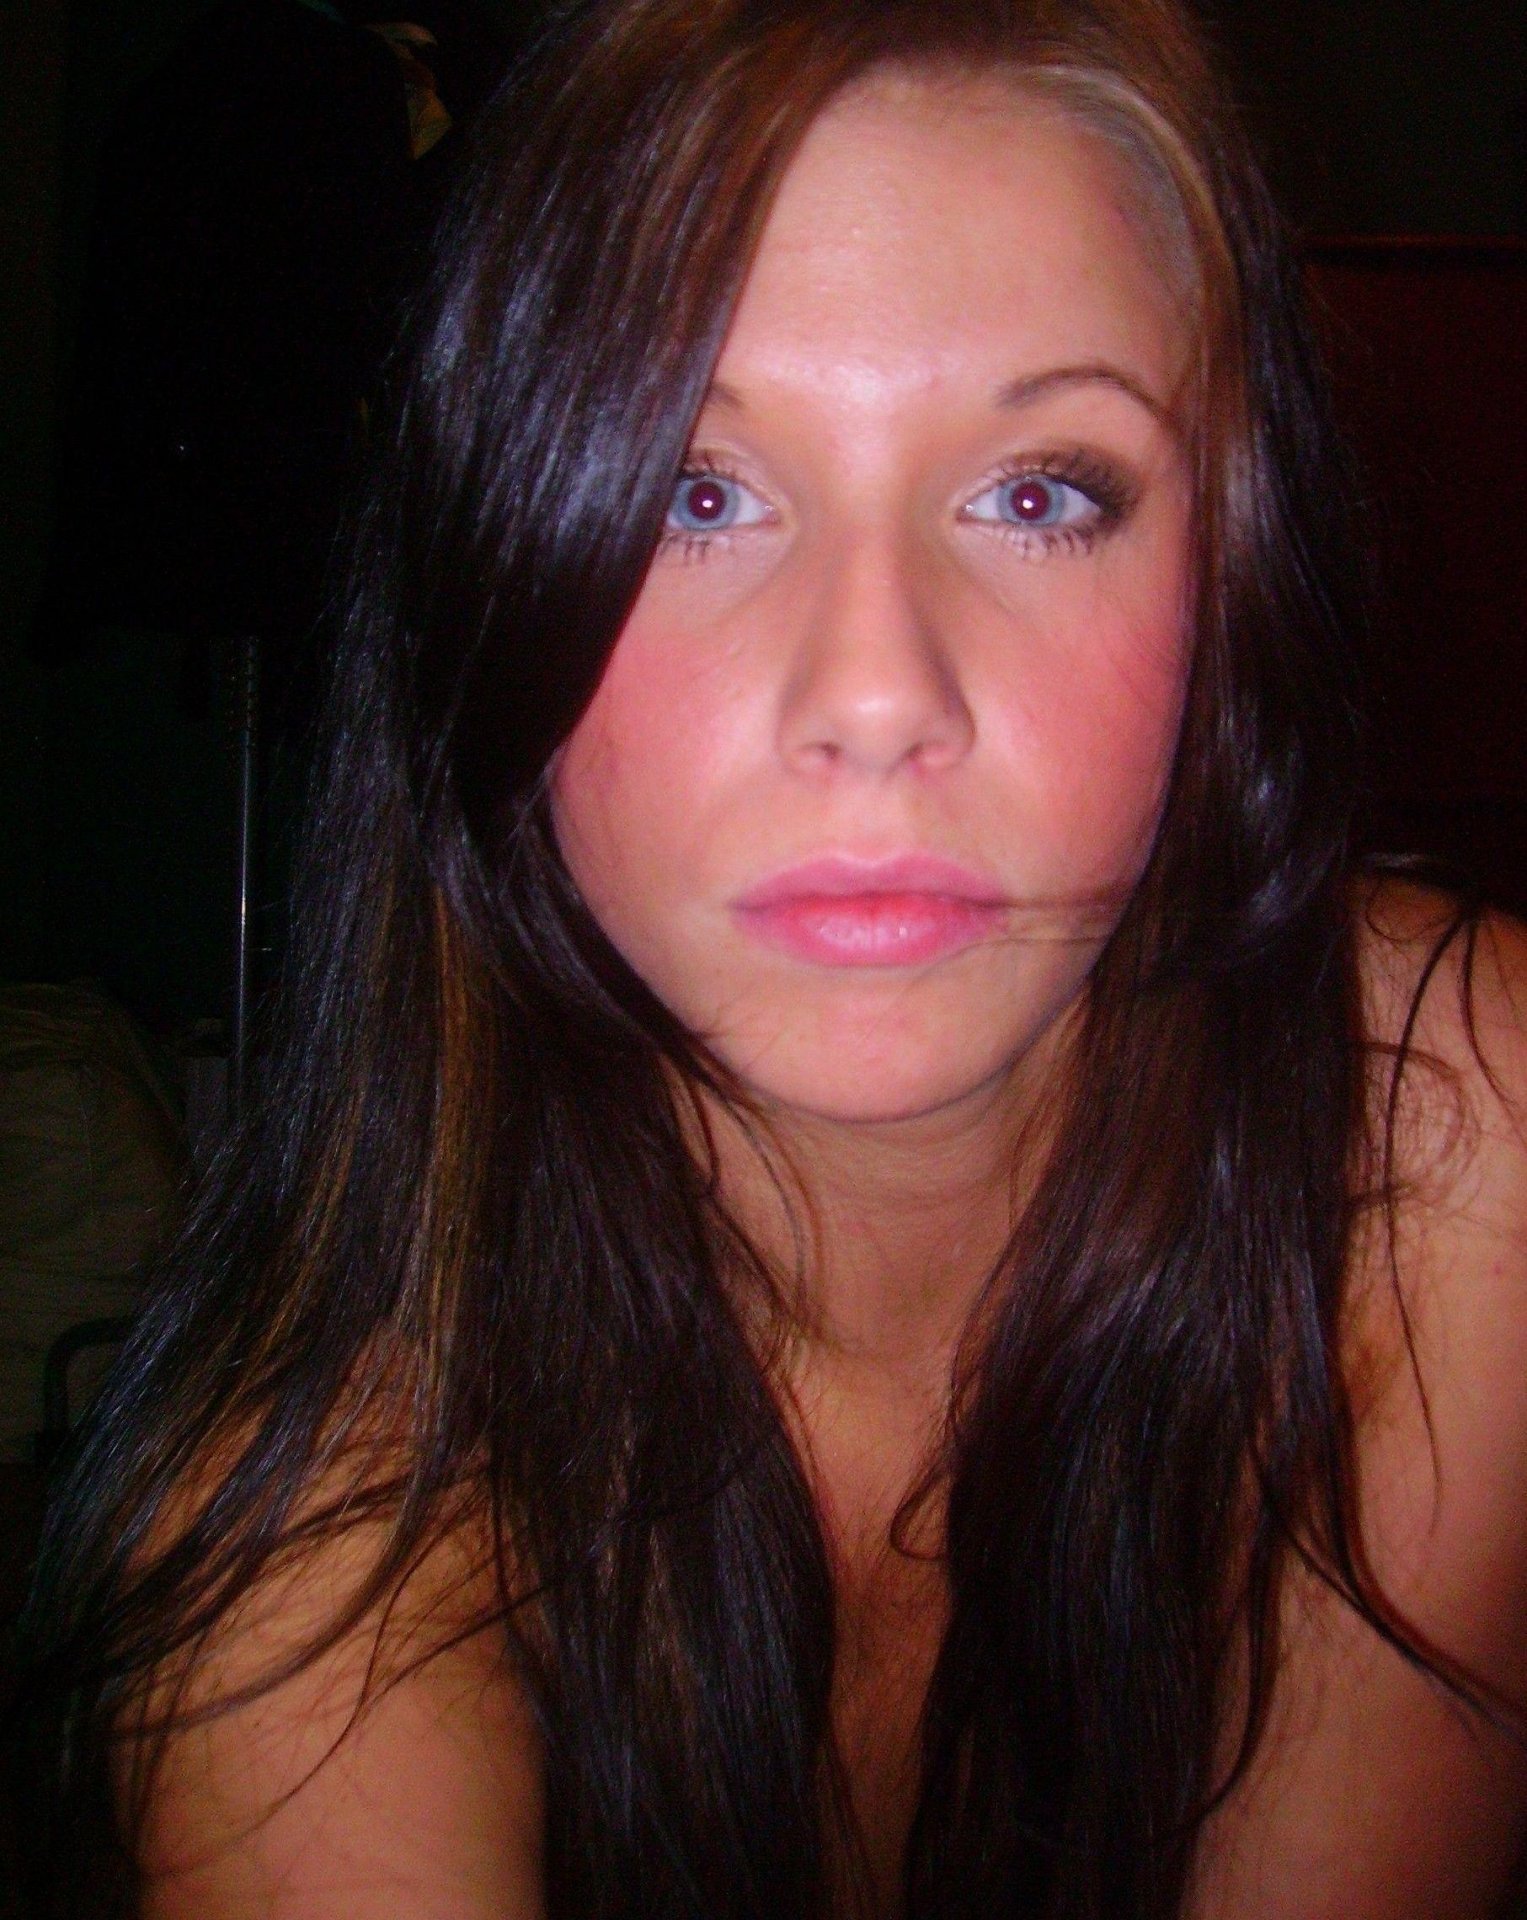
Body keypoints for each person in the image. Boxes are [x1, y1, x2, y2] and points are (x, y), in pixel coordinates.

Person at [14, 0, 1527, 1914]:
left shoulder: (1456, 1145)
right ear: (494, 577)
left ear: (1233, 581)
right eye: (695, 493)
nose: (877, 694)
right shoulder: (303, 1575)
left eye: (1039, 493)